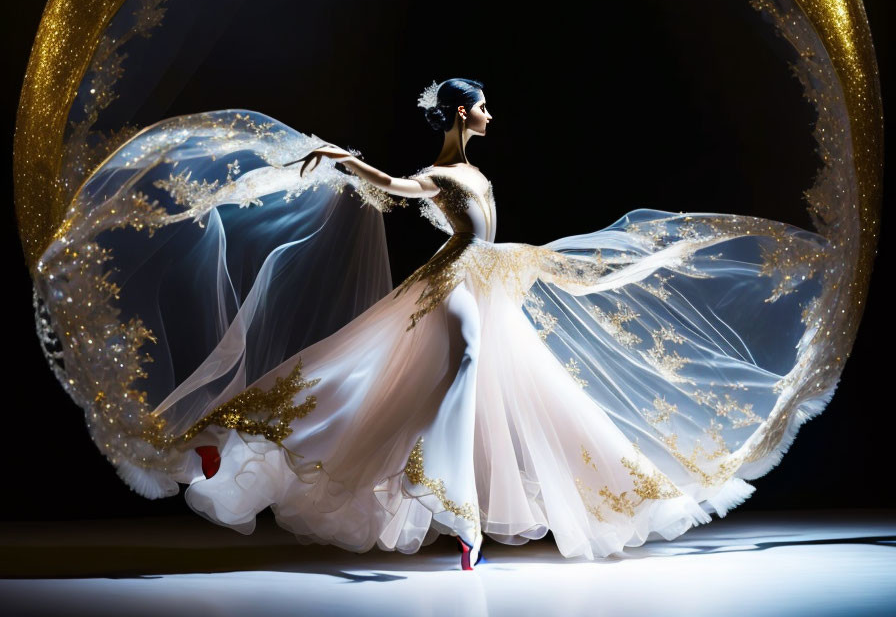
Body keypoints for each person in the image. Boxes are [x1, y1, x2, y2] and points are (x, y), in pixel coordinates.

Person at [32, 78, 835, 571]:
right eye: (480, 104)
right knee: (456, 363)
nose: (490, 113)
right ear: (459, 110)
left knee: (458, 387)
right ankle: (457, 511)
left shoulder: (476, 169)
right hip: (452, 282)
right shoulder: (438, 173)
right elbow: (398, 188)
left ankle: (262, 449)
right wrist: (345, 162)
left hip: (491, 277)